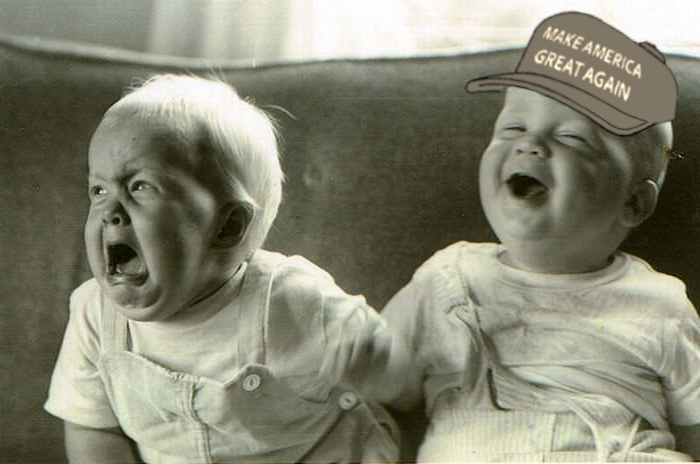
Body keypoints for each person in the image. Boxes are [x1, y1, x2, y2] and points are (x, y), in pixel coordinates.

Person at [45, 74, 399, 463]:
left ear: (228, 227)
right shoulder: (95, 316)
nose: (110, 212)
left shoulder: (295, 300)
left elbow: (403, 368)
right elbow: (92, 426)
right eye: (99, 190)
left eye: (141, 187)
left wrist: (378, 360)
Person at [382, 86, 700, 461]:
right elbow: (378, 381)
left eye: (572, 137)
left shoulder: (662, 305)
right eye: (514, 128)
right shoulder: (447, 279)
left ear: (633, 202)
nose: (529, 145)